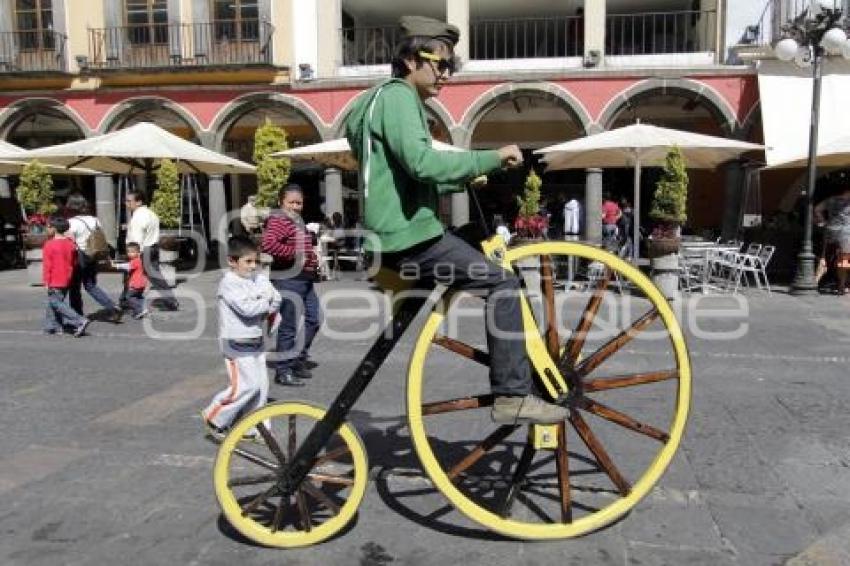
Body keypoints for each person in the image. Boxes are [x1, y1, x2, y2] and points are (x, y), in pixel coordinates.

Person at [345, 15, 568, 425]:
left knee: (470, 240)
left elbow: (398, 179)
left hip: (396, 235)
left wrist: (464, 176)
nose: (447, 74)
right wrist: (492, 156)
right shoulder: (397, 98)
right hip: (408, 240)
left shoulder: (376, 101)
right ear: (412, 59)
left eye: (452, 66)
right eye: (441, 63)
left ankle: (515, 372)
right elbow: (421, 163)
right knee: (501, 282)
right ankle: (512, 395)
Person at [202, 237, 282, 440]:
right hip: (235, 342)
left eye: (256, 261)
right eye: (248, 262)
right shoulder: (229, 283)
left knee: (261, 387)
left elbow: (277, 299)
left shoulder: (257, 279)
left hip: (255, 339)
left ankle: (254, 428)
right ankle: (215, 415)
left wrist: (263, 300)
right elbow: (247, 309)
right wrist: (265, 300)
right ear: (232, 261)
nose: (253, 266)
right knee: (246, 386)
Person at [262, 184, 323, 387]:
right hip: (289, 279)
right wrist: (297, 254)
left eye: (299, 203)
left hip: (304, 278)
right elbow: (269, 245)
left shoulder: (296, 220)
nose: (296, 206)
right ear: (281, 202)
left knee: (315, 318)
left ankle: (297, 358)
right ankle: (283, 370)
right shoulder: (279, 218)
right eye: (292, 202)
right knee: (288, 325)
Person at [66, 193, 122, 322]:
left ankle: (77, 316)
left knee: (74, 288)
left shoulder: (71, 222)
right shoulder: (95, 219)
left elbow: (69, 241)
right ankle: (112, 306)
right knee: (91, 285)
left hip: (79, 257)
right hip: (93, 256)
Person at [125, 190, 179, 311]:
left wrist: (134, 254)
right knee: (155, 277)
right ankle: (127, 300)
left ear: (138, 202)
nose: (126, 203)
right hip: (153, 247)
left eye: (129, 201)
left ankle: (129, 301)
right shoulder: (151, 214)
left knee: (134, 276)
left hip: (143, 250)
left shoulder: (138, 217)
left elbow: (137, 238)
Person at [42, 217, 90, 337]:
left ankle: (79, 320)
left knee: (55, 302)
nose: (46, 229)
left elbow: (47, 265)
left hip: (55, 278)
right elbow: (74, 261)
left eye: (48, 227)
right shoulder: (70, 244)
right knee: (53, 302)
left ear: (53, 229)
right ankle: (53, 327)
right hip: (67, 276)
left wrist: (46, 281)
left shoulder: (49, 245)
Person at [814, 186, 850, 295]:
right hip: (845, 234)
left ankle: (814, 283)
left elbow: (817, 209)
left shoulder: (830, 200)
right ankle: (841, 287)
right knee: (844, 261)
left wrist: (823, 221)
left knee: (824, 257)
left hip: (829, 231)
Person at [112, 242, 149, 319]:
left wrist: (116, 265)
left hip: (136, 284)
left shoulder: (136, 261)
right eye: (128, 252)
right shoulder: (139, 260)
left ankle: (139, 310)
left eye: (132, 252)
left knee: (129, 297)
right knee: (138, 296)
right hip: (142, 284)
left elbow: (127, 266)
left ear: (138, 253)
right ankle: (143, 308)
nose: (129, 254)